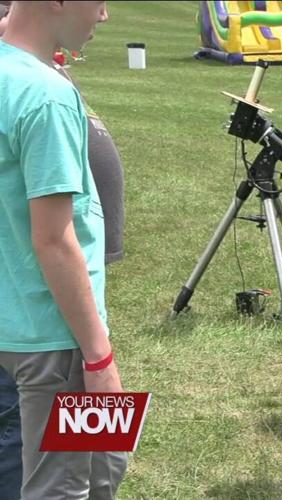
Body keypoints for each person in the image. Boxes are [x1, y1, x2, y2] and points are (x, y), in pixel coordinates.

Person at [0, 1, 128, 498]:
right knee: (67, 486)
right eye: (98, 1)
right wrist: (98, 359)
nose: (104, 15)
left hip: (18, 322)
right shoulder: (47, 95)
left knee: (103, 463)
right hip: (57, 336)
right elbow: (54, 239)